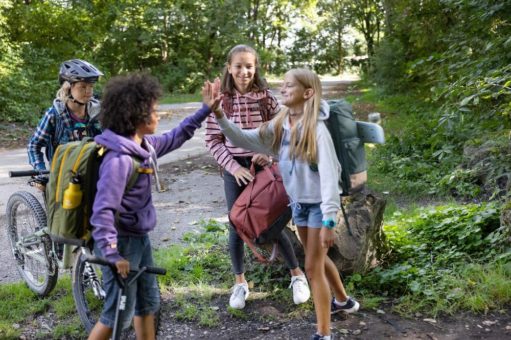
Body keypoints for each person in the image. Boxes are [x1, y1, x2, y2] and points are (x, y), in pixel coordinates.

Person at [206, 68, 360, 340]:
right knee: (318, 262)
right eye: (284, 85)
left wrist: (329, 221)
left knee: (312, 267)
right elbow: (243, 138)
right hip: (299, 204)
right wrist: (219, 115)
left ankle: (323, 333)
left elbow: (330, 177)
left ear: (308, 93)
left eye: (290, 86)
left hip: (319, 208)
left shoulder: (317, 130)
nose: (283, 89)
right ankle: (344, 301)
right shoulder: (281, 124)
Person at [88, 73, 216, 340]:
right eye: (154, 111)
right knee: (116, 315)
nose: (158, 116)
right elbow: (102, 212)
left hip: (138, 239)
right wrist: (113, 255)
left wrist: (206, 109)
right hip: (120, 243)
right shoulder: (120, 160)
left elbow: (177, 135)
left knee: (147, 305)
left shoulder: (143, 146)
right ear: (136, 117)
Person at [204, 44, 310, 310]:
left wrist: (270, 157)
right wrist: (233, 168)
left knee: (270, 221)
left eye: (249, 66)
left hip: (263, 168)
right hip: (234, 172)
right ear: (229, 67)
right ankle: (240, 283)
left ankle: (297, 275)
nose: (244, 72)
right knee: (236, 223)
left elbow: (283, 134)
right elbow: (213, 140)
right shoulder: (221, 101)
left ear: (256, 68)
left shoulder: (266, 99)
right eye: (238, 66)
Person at [27, 59, 104, 170]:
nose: (89, 91)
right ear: (68, 88)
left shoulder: (100, 114)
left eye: (91, 86)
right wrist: (41, 171)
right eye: (83, 86)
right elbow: (34, 146)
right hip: (62, 177)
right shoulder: (54, 115)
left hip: (93, 174)